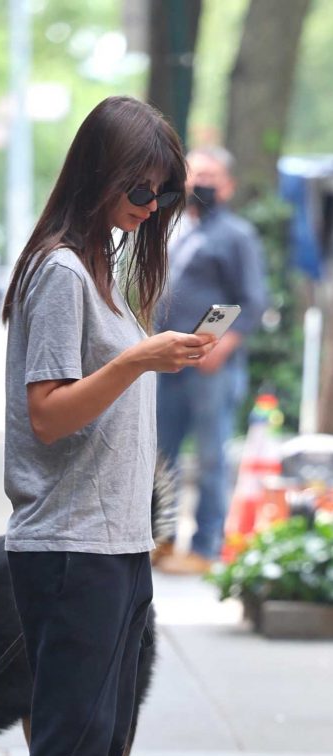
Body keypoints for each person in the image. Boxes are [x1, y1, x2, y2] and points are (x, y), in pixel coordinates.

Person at [2, 95, 216, 756]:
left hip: (116, 544)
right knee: (63, 741)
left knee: (94, 741)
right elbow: (48, 415)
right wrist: (135, 361)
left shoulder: (100, 275)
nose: (146, 207)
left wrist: (148, 353)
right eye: (137, 187)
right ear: (98, 174)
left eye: (161, 196)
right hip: (68, 546)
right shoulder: (57, 273)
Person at [154, 147, 268, 573]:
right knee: (162, 454)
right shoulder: (173, 229)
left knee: (209, 456)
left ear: (228, 185)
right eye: (195, 174)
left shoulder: (237, 235)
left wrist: (221, 344)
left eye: (211, 176)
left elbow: (253, 300)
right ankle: (162, 542)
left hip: (211, 366)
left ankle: (205, 547)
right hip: (169, 363)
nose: (201, 183)